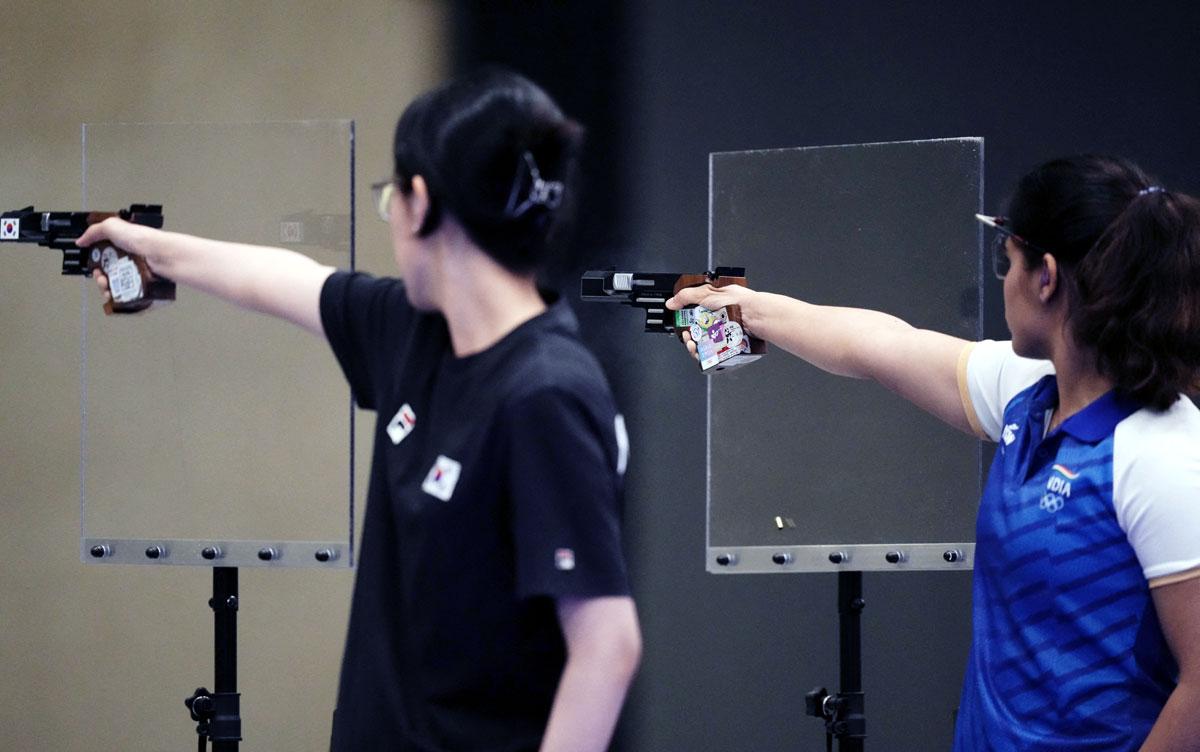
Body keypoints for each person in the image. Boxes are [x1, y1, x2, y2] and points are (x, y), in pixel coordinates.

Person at [79, 67, 641, 752]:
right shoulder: (415, 331)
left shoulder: (545, 394)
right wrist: (151, 248)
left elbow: (607, 647)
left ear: (421, 203)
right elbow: (285, 281)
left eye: (390, 199)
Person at [667, 154, 1200, 751]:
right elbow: (880, 345)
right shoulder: (1030, 393)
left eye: (1008, 260)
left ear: (1045, 276)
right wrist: (743, 306)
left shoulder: (1161, 454)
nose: (1002, 277)